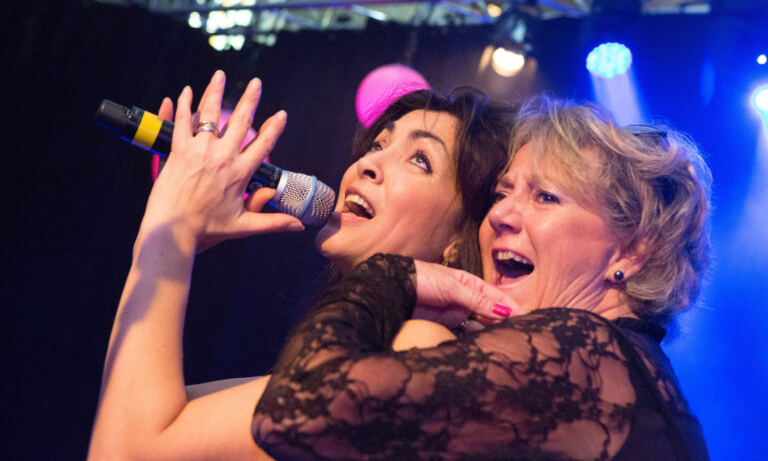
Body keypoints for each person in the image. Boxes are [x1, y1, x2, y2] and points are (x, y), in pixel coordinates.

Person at [87, 70, 521, 460]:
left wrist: (169, 231)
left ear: (456, 241)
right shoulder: (371, 346)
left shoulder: (419, 346)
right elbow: (144, 422)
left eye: (419, 160)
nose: (368, 164)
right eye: (377, 145)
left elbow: (127, 450)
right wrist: (175, 236)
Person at [251, 95, 712, 460]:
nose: (501, 215)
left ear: (632, 251)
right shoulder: (620, 368)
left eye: (546, 197)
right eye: (501, 192)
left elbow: (295, 408)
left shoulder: (581, 351)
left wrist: (391, 277)